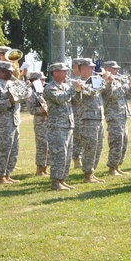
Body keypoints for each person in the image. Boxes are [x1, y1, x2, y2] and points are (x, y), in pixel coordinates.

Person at [44, 62, 80, 190]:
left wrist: (79, 91)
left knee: (67, 154)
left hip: (68, 125)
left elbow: (76, 102)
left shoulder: (65, 86)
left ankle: (62, 179)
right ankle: (56, 181)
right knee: (59, 154)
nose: (66, 73)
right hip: (57, 126)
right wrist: (73, 89)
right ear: (55, 73)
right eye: (63, 71)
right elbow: (60, 99)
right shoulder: (50, 87)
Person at [71, 57, 106, 183]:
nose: (93, 69)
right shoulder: (77, 82)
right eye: (90, 67)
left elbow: (103, 90)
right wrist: (85, 87)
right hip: (87, 119)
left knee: (98, 147)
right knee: (90, 147)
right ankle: (87, 174)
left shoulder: (96, 79)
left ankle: (92, 171)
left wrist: (106, 81)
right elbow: (87, 93)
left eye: (93, 67)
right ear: (83, 68)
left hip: (98, 118)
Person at [0, 61, 23, 184]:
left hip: (14, 122)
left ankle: (7, 174)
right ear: (2, 71)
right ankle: (0, 176)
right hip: (3, 124)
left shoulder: (12, 83)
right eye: (9, 71)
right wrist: (9, 102)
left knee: (14, 150)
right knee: (4, 150)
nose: (12, 73)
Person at [101, 61, 130, 176]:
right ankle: (112, 168)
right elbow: (111, 94)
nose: (117, 71)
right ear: (108, 69)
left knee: (124, 141)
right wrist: (125, 86)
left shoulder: (117, 80)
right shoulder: (104, 81)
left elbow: (125, 92)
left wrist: (129, 85)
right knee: (116, 141)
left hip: (122, 114)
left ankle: (117, 166)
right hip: (113, 115)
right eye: (114, 69)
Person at [26, 70, 50, 176]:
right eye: (41, 79)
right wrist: (45, 110)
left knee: (49, 145)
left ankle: (45, 168)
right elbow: (32, 110)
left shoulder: (45, 89)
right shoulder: (30, 92)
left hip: (50, 122)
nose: (44, 81)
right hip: (40, 122)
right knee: (42, 145)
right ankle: (39, 169)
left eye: (44, 79)